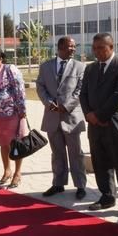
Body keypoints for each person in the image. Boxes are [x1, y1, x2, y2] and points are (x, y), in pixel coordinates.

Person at [80, 33, 118, 220]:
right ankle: (106, 196)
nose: (97, 52)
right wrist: (89, 114)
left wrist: (100, 115)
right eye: (94, 48)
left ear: (111, 47)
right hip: (95, 125)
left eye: (101, 48)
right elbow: (83, 93)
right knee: (100, 161)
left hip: (115, 123)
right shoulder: (91, 69)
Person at [36, 36, 87, 200]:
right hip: (52, 117)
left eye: (74, 46)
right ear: (60, 47)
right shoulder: (45, 67)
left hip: (71, 117)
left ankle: (80, 185)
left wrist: (66, 106)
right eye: (69, 46)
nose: (73, 49)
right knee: (57, 153)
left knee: (76, 153)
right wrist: (48, 103)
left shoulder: (80, 67)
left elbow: (80, 90)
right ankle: (58, 183)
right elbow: (40, 86)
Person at [0, 48, 28, 189]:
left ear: (0, 58)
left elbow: (19, 89)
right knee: (3, 144)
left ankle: (17, 173)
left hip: (12, 114)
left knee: (15, 144)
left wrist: (22, 110)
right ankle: (6, 171)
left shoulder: (10, 69)